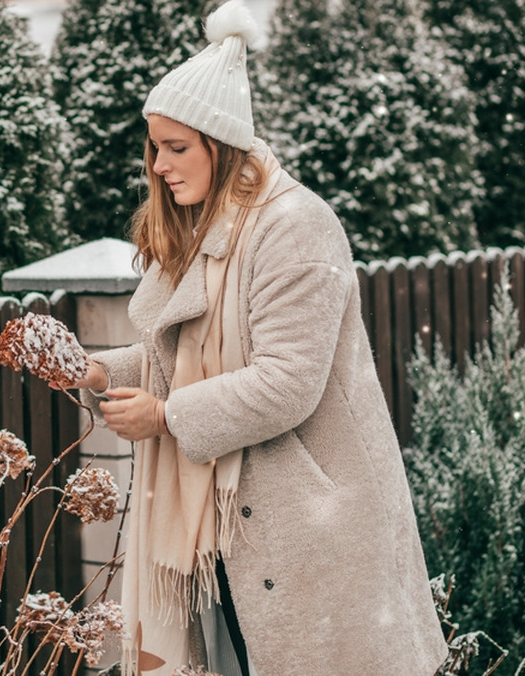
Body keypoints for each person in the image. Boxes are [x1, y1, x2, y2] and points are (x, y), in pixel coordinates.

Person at [59, 0, 450, 673]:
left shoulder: (294, 227)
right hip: (231, 534)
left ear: (222, 144)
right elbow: (182, 355)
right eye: (154, 148)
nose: (159, 165)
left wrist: (166, 416)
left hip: (312, 529)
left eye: (176, 148)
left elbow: (287, 382)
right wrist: (108, 374)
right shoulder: (205, 234)